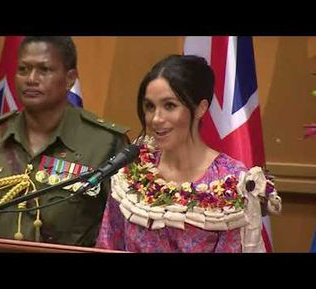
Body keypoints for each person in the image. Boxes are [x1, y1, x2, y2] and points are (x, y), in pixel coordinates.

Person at [96, 54, 282, 252]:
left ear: (200, 108)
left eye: (169, 106)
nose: (156, 119)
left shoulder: (233, 182)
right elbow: (107, 245)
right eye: (150, 106)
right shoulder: (132, 171)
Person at [0, 36, 129, 247]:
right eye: (23, 69)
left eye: (44, 69)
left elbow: (119, 232)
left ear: (70, 78)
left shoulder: (104, 143)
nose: (31, 79)